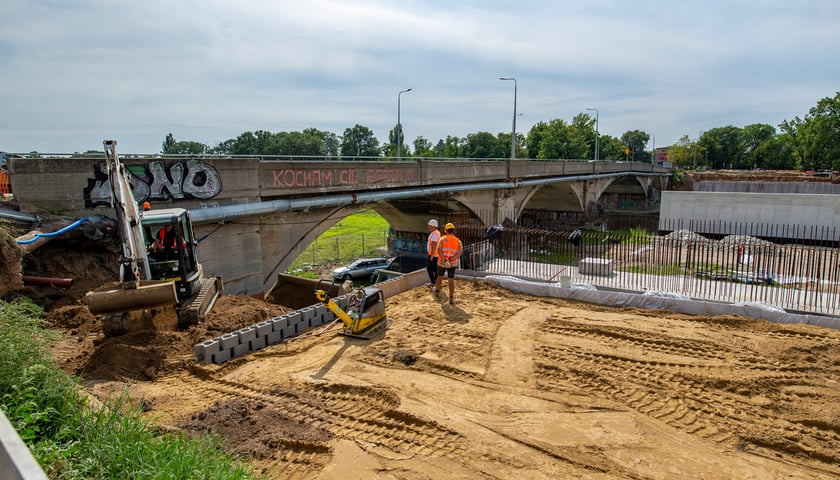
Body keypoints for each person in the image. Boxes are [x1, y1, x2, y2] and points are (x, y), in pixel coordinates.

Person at [434, 222, 463, 305]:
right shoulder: (458, 241)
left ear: (446, 231)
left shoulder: (442, 239)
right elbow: (459, 253)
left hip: (442, 262)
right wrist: (451, 259)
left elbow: (439, 250)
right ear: (453, 231)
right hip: (452, 263)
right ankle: (451, 298)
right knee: (451, 279)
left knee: (440, 277)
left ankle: (437, 291)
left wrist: (444, 258)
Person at [426, 219, 440, 285]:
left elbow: (434, 245)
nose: (428, 227)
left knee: (429, 268)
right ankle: (436, 281)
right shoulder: (436, 232)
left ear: (433, 226)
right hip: (435, 254)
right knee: (435, 268)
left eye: (430, 226)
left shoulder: (434, 234)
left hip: (433, 254)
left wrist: (432, 255)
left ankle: (433, 282)